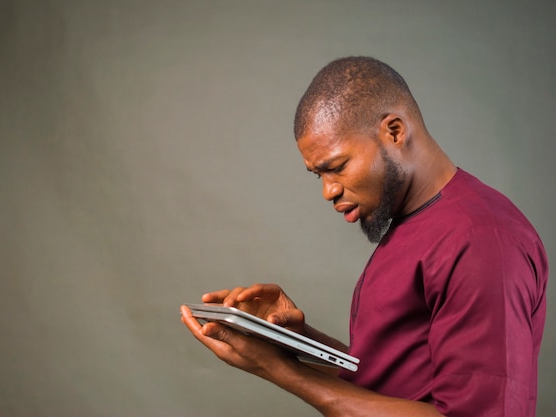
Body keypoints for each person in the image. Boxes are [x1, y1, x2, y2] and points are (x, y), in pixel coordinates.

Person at [180, 56, 548, 417]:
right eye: (318, 175)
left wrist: (279, 370)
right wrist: (296, 342)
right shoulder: (413, 222)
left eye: (337, 167)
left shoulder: (480, 240)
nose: (328, 191)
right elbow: (392, 385)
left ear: (394, 132)